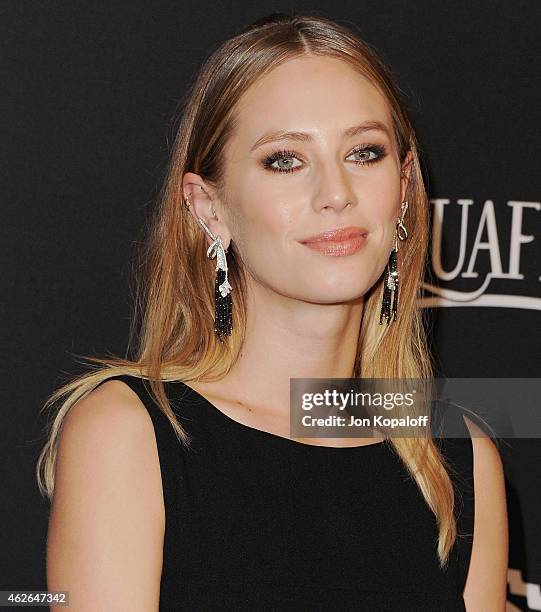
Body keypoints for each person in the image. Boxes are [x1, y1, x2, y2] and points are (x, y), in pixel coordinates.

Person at [37, 12, 508, 611]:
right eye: (284, 159)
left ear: (406, 188)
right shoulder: (128, 433)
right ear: (210, 207)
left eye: (364, 152)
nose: (336, 193)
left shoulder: (456, 458)